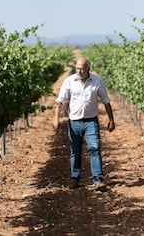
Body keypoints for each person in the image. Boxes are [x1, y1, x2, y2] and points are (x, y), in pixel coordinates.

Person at [53, 57, 115, 191]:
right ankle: (75, 179)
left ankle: (98, 180)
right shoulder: (69, 81)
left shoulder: (97, 81)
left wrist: (111, 120)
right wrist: (56, 119)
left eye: (82, 68)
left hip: (91, 121)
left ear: (88, 69)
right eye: (77, 68)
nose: (79, 71)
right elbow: (60, 101)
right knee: (75, 152)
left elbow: (106, 101)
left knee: (95, 148)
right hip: (74, 121)